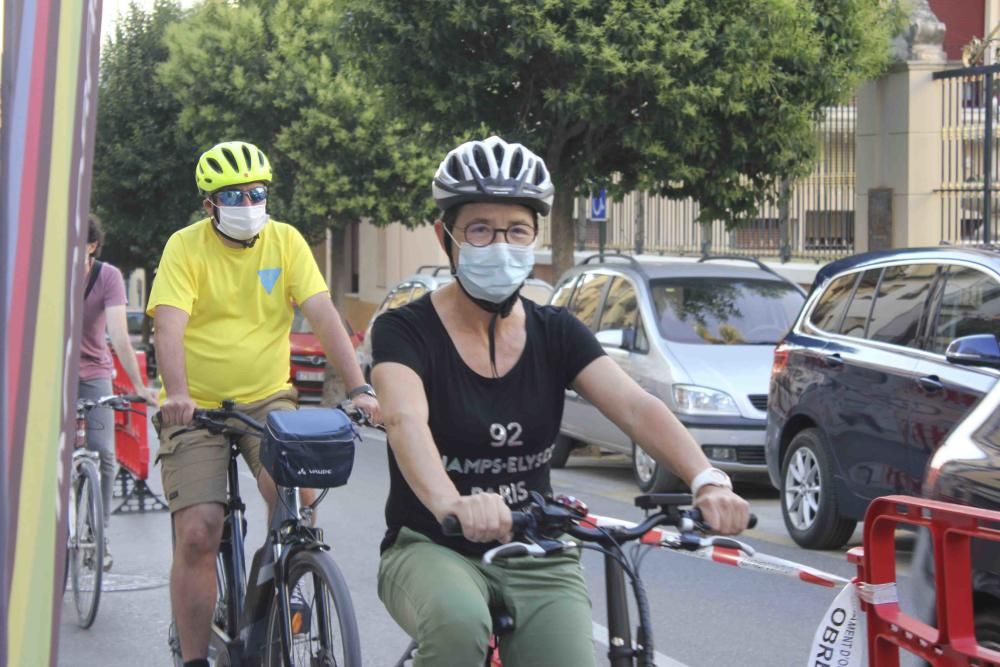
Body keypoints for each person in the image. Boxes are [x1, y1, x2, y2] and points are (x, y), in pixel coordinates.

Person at [371, 136, 751, 667]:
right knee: (458, 625)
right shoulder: (403, 330)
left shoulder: (558, 332)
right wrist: (450, 503)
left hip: (538, 551)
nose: (499, 245)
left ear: (534, 238)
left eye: (517, 230)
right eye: (480, 229)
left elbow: (636, 407)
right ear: (445, 236)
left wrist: (706, 479)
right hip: (432, 545)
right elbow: (404, 417)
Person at [148, 140, 379, 667]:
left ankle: (290, 575)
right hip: (198, 407)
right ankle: (194, 658)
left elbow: (322, 314)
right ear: (210, 204)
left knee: (295, 494)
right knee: (199, 529)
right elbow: (168, 326)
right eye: (235, 194)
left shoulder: (287, 242)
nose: (249, 202)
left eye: (257, 192)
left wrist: (360, 387)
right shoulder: (184, 248)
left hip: (268, 397)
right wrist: (178, 395)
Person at [79, 214, 159, 571]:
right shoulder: (47, 274)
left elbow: (119, 336)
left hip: (93, 373)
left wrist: (140, 386)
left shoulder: (107, 277)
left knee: (104, 455)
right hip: (51, 374)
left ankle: (100, 535)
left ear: (92, 246)